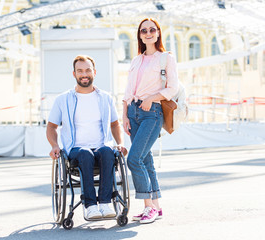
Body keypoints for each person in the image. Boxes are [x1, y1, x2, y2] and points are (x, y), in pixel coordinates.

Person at [46, 55, 127, 220]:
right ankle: (90, 206)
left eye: (88, 70)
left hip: (100, 147)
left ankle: (105, 203)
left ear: (94, 72)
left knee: (106, 151)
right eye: (80, 71)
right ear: (74, 74)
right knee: (84, 153)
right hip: (76, 150)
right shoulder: (63, 99)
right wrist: (54, 145)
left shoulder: (105, 98)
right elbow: (51, 127)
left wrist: (119, 143)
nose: (84, 74)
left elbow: (114, 124)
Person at [122, 18, 178, 224]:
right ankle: (157, 206)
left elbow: (173, 88)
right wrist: (125, 114)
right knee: (146, 160)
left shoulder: (166, 58)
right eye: (143, 30)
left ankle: (148, 207)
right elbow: (128, 90)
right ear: (139, 34)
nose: (148, 33)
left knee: (134, 159)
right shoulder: (136, 60)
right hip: (134, 113)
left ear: (158, 33)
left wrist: (151, 98)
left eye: (152, 29)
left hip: (152, 113)